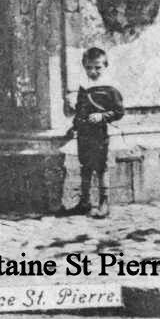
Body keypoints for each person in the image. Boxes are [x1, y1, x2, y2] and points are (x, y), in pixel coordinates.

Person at [62, 47, 124, 218]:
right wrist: (74, 126)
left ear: (105, 66)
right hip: (84, 133)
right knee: (86, 167)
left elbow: (119, 112)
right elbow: (81, 110)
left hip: (99, 133)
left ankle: (104, 202)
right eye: (89, 67)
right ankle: (85, 201)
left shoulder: (110, 88)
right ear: (84, 66)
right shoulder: (84, 86)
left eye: (98, 67)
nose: (93, 71)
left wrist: (103, 116)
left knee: (101, 167)